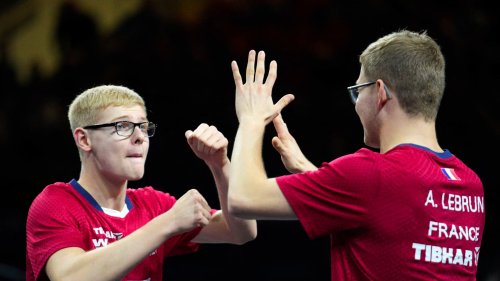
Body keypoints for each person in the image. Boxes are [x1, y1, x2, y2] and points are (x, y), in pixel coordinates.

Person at [228, 30, 485, 280]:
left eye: (359, 89)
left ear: (381, 92)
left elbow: (243, 198)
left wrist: (251, 120)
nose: (356, 102)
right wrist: (308, 171)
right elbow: (389, 218)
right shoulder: (471, 185)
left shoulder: (370, 174)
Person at [26, 85, 257, 281]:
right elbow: (70, 277)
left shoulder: (153, 204)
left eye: (143, 127)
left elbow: (241, 232)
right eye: (122, 126)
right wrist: (169, 222)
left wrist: (221, 166)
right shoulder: (55, 203)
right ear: (84, 139)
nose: (140, 137)